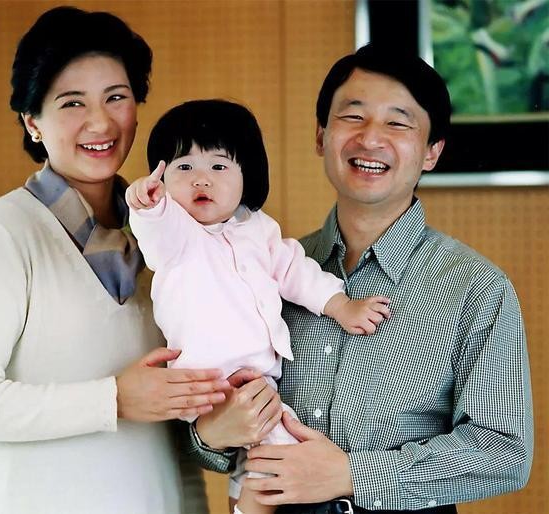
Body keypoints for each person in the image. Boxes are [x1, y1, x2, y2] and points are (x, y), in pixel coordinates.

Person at [186, 44, 534, 514]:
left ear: (432, 152)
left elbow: (505, 453)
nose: (371, 139)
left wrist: (353, 474)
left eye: (398, 123)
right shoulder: (265, 268)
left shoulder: (476, 287)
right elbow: (208, 414)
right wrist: (209, 436)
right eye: (353, 116)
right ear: (321, 136)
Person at [0, 7, 231, 514]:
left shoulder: (170, 234)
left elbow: (174, 418)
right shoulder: (3, 233)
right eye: (72, 102)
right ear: (32, 122)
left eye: (116, 97)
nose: (101, 121)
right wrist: (113, 399)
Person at [125, 99, 391, 514]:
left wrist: (341, 306)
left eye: (219, 166)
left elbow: (296, 272)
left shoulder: (259, 229)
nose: (201, 179)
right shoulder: (176, 236)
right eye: (183, 167)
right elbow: (154, 230)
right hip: (206, 378)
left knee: (253, 456)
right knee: (278, 449)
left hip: (255, 376)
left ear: (246, 175)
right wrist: (147, 205)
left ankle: (240, 500)